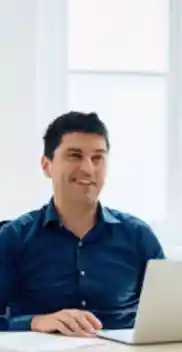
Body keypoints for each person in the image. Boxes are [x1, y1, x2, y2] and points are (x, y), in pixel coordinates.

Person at [0, 112, 165, 335]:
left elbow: (170, 315)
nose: (88, 168)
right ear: (46, 165)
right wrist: (34, 322)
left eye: (98, 158)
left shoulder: (138, 235)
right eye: (74, 156)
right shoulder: (14, 237)